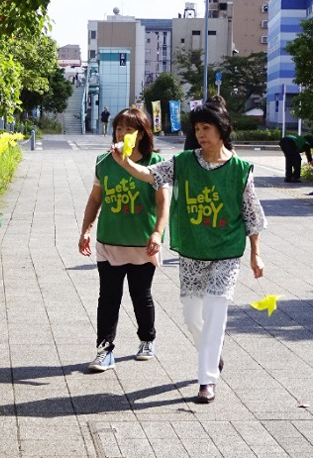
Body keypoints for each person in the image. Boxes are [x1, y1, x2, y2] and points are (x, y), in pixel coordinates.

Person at [110, 101, 266, 403]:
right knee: (192, 315)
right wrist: (126, 163)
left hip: (227, 250)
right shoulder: (183, 162)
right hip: (193, 250)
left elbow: (252, 214)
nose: (201, 134)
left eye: (206, 128)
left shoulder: (240, 170)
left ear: (221, 130)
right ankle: (213, 354)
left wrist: (255, 253)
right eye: (197, 129)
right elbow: (150, 174)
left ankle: (207, 379)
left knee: (215, 310)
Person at [79, 107, 170, 372]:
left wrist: (157, 233)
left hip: (142, 245)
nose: (121, 134)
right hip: (109, 243)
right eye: (119, 129)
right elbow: (95, 199)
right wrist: (86, 229)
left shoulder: (154, 164)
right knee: (108, 297)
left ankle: (146, 339)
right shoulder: (104, 161)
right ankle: (104, 350)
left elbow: (163, 203)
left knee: (141, 296)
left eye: (128, 130)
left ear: (140, 135)